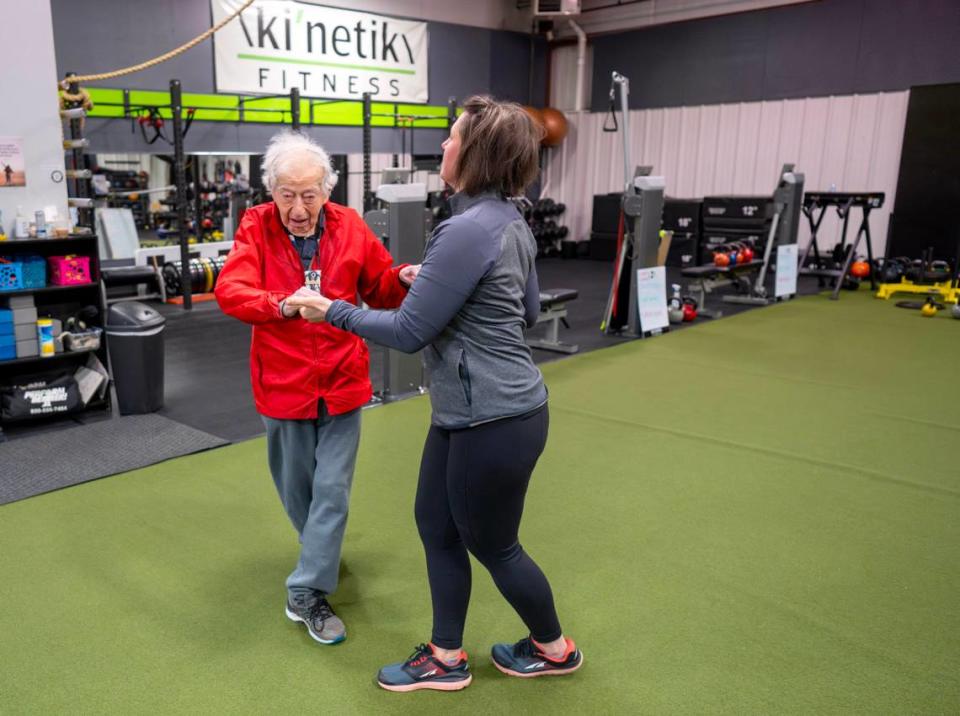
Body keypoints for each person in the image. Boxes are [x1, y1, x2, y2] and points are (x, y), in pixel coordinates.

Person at [285, 96, 582, 692]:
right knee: (436, 526)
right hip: (471, 412)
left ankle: (554, 648)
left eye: (451, 139)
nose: (443, 147)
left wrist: (329, 309)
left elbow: (407, 330)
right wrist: (441, 281)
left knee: (495, 546)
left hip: (493, 417)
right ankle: (446, 657)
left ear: (475, 153)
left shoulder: (467, 228)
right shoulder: (505, 217)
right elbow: (521, 308)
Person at [215, 131, 419, 646]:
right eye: (287, 194)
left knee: (331, 491)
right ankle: (320, 554)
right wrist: (282, 304)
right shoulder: (255, 226)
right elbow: (231, 291)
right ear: (271, 191)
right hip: (283, 383)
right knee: (298, 492)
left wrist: (408, 275)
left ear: (328, 190)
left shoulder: (349, 225)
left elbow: (378, 285)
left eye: (309, 194)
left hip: (344, 378)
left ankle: (305, 590)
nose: (298, 207)